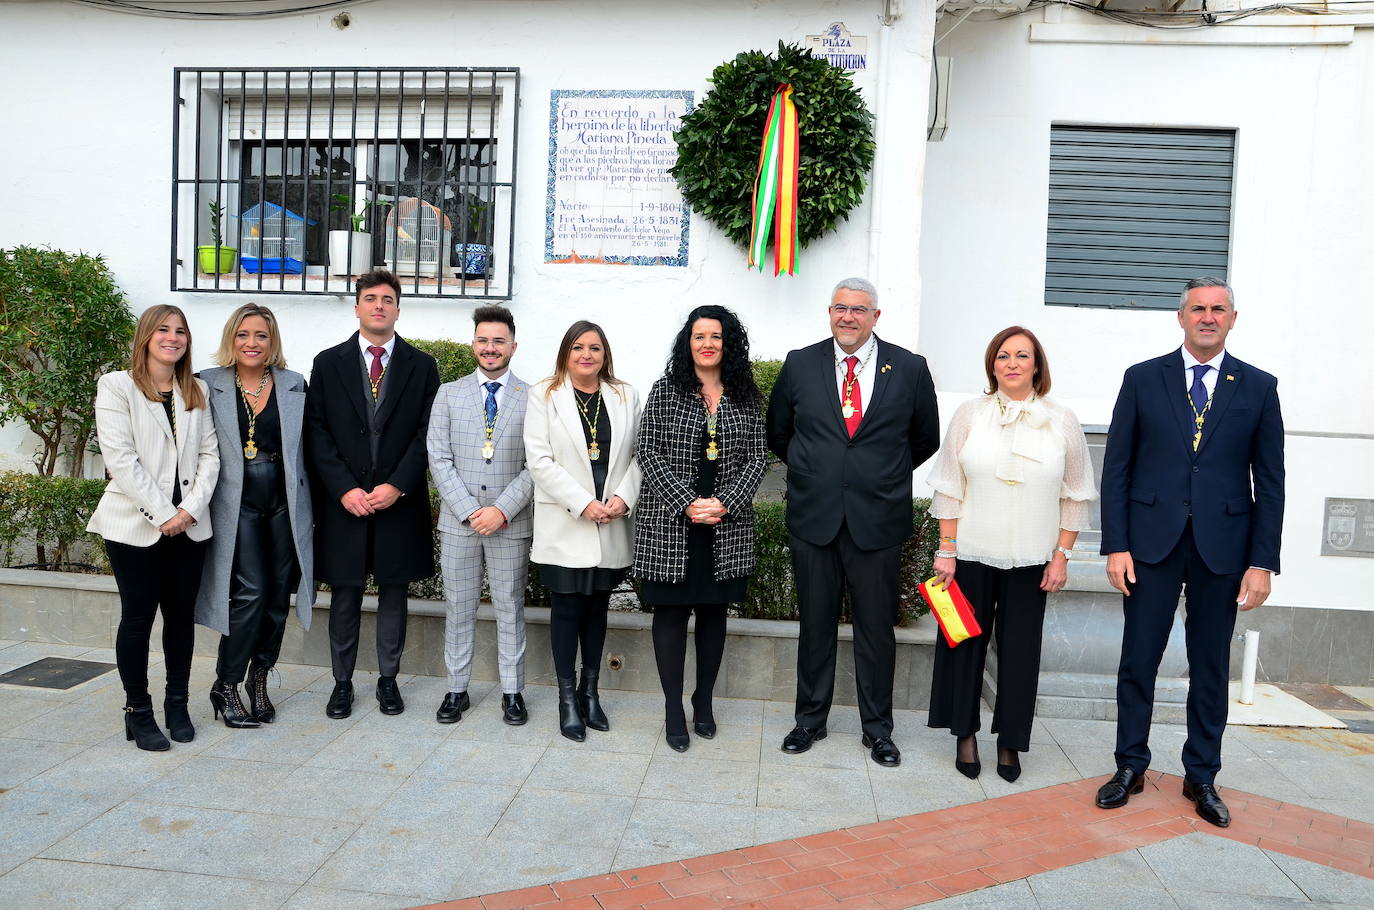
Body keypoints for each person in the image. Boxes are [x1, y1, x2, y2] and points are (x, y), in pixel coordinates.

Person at [1095, 277, 1284, 828]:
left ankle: (1201, 774)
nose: (1207, 317)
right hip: (1150, 545)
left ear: (1232, 319)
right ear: (1180, 317)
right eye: (1197, 309)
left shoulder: (1258, 387)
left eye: (1217, 309)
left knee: (1208, 666)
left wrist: (1261, 560)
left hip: (1223, 550)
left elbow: (1270, 481)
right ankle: (1129, 764)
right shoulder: (1142, 379)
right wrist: (1117, 544)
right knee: (1138, 661)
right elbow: (1117, 469)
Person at [766, 277, 940, 767]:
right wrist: (814, 469)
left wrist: (877, 475)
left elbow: (925, 437)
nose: (848, 317)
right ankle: (809, 721)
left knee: (875, 629)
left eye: (859, 310)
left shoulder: (908, 367)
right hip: (815, 517)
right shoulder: (802, 362)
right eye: (840, 308)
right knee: (815, 624)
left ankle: (878, 730)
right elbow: (780, 430)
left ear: (876, 317)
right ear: (829, 312)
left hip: (877, 520)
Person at [925, 326, 1096, 781]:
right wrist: (947, 551)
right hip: (970, 557)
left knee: (1021, 654)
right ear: (992, 364)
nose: (1013, 363)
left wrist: (1062, 555)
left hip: (1033, 561)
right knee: (964, 645)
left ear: (1037, 365)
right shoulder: (969, 414)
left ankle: (1009, 743)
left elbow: (1076, 494)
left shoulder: (1062, 419)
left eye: (1023, 355)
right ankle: (964, 734)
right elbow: (948, 486)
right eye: (1004, 356)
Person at [305, 269, 441, 719]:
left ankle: (388, 680)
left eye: (387, 299)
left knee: (394, 594)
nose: (379, 305)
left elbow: (427, 434)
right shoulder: (328, 363)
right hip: (345, 503)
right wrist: (345, 488)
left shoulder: (423, 367)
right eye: (370, 298)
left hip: (397, 503)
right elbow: (317, 432)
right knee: (344, 593)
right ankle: (341, 683)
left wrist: (397, 485)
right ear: (357, 306)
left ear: (398, 308)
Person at [635, 305, 767, 752]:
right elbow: (647, 453)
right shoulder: (666, 390)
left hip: (725, 527)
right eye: (699, 336)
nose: (707, 343)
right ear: (687, 343)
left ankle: (703, 701)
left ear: (727, 344)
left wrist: (724, 503)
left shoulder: (747, 395)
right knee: (671, 616)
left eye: (716, 336)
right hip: (673, 524)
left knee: (713, 616)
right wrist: (687, 503)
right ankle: (674, 708)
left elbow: (757, 458)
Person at [87, 305, 220, 750]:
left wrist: (189, 511)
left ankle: (177, 704)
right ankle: (138, 712)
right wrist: (164, 513)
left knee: (181, 619)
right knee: (139, 618)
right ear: (146, 336)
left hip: (190, 526)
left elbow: (209, 457)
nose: (173, 337)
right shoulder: (116, 386)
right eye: (163, 329)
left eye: (180, 331)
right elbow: (120, 459)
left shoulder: (195, 389)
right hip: (135, 524)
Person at [196, 303, 315, 728]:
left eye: (261, 336)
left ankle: (258, 681)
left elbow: (309, 449)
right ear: (232, 338)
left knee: (280, 594)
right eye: (244, 334)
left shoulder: (293, 384)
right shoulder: (206, 385)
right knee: (251, 593)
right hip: (237, 501)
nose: (252, 343)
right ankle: (226, 685)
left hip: (284, 502)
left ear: (272, 341)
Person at [524, 320, 641, 742]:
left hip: (610, 521)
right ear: (565, 354)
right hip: (565, 523)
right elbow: (539, 460)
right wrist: (583, 502)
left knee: (597, 610)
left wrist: (623, 499)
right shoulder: (544, 394)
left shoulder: (625, 394)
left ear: (605, 354)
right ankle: (567, 699)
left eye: (595, 348)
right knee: (567, 611)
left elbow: (639, 456)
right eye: (578, 348)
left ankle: (591, 693)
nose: (586, 355)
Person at [428, 305, 534, 725]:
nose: (491, 348)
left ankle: (512, 691)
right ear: (474, 344)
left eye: (499, 341)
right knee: (459, 606)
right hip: (460, 523)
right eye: (484, 340)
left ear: (513, 345)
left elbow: (536, 464)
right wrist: (473, 511)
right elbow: (438, 457)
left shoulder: (534, 397)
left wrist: (501, 511)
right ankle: (457, 689)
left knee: (509, 606)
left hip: (510, 523)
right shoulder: (449, 394)